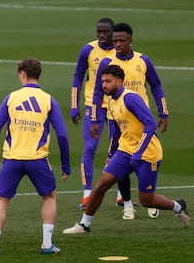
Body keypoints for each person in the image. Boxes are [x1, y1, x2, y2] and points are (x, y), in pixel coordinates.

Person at [62, 65, 189, 234]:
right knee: (102, 184)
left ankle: (178, 206)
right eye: (102, 82)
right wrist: (111, 153)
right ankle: (84, 225)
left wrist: (138, 153)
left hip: (148, 153)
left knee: (146, 200)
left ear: (119, 81)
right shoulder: (112, 102)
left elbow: (150, 124)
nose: (104, 85)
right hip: (125, 150)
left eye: (108, 81)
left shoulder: (130, 98)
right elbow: (116, 131)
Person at [0, 58, 71, 255]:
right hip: (38, 160)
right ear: (39, 75)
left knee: (1, 200)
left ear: (22, 74)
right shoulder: (49, 100)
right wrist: (66, 164)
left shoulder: (11, 97)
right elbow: (62, 134)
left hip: (12, 160)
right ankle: (47, 243)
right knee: (49, 197)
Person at [91, 22, 169, 220]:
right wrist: (94, 117)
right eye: (114, 40)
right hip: (114, 118)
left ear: (130, 41)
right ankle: (126, 203)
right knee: (119, 162)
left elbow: (156, 85)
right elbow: (98, 92)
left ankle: (149, 199)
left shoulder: (143, 61)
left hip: (141, 119)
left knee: (146, 159)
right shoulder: (106, 63)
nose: (117, 44)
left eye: (121, 40)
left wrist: (163, 112)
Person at [70, 18, 116, 209]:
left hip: (117, 106)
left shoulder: (120, 52)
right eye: (99, 32)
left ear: (113, 32)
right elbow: (78, 77)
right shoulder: (88, 50)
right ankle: (87, 194)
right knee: (89, 148)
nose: (102, 35)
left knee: (120, 149)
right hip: (93, 105)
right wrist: (74, 105)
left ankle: (122, 194)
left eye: (105, 32)